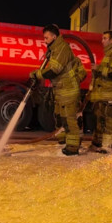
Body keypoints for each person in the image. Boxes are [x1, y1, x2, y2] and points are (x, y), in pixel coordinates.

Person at [30, 24, 82, 156]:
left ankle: (73, 147)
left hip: (68, 88)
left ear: (54, 36)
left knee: (69, 118)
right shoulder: (55, 49)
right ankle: (65, 141)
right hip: (61, 88)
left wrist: (38, 74)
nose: (45, 40)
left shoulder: (61, 48)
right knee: (60, 117)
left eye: (46, 38)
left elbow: (54, 70)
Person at [88, 30, 112, 154]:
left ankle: (108, 146)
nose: (102, 41)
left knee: (109, 120)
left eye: (105, 38)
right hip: (103, 93)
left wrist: (98, 70)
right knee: (100, 119)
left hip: (110, 94)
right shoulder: (108, 54)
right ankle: (97, 143)